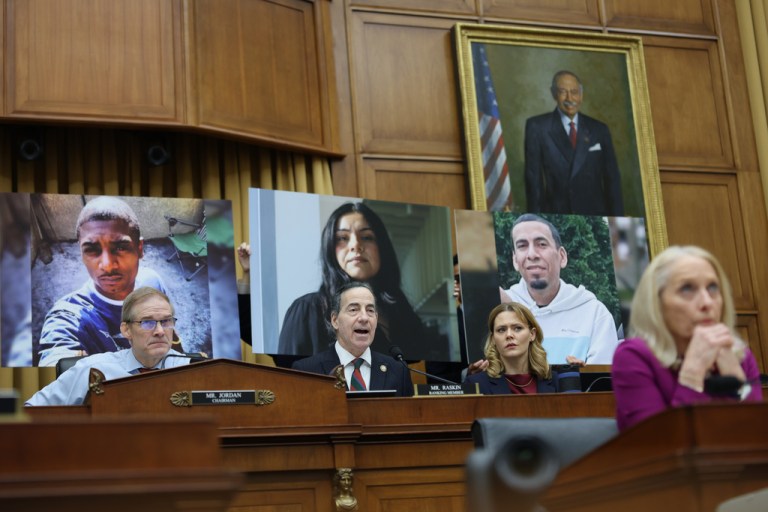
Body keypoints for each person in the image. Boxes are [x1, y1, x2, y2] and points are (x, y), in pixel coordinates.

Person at [612, 245, 762, 431]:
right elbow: (658, 448)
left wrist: (737, 382)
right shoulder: (634, 356)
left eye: (713, 288)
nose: (707, 302)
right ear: (656, 303)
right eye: (687, 289)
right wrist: (692, 374)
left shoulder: (740, 355)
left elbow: (758, 439)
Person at [278, 202, 442, 361]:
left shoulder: (403, 314)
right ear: (330, 248)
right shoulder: (308, 309)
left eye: (367, 237)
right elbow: (289, 375)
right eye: (342, 238)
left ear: (382, 247)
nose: (356, 245)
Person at [37, 196, 171, 366]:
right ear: (81, 255)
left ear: (139, 249)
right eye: (92, 250)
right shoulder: (70, 317)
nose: (107, 266)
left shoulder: (153, 283)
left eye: (120, 248)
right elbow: (57, 361)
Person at [26, 287, 191, 406]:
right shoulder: (93, 369)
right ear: (126, 330)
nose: (160, 331)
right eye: (147, 322)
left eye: (166, 321)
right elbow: (32, 411)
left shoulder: (194, 370)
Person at [500, 214, 619, 365]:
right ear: (515, 260)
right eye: (522, 246)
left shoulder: (594, 314)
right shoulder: (499, 309)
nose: (532, 254)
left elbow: (603, 382)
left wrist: (583, 376)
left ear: (562, 256)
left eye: (541, 244)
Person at [524, 70, 623, 216]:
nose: (570, 98)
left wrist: (619, 224)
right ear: (553, 94)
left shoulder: (599, 130)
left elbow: (612, 180)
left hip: (595, 217)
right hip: (557, 216)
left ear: (581, 95)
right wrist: (535, 221)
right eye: (563, 91)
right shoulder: (538, 127)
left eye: (574, 92)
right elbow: (534, 183)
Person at [291, 281, 414, 397]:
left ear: (376, 319)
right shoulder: (307, 371)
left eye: (370, 310)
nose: (364, 318)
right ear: (335, 320)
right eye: (354, 310)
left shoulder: (398, 371)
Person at [465, 302, 561, 394]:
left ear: (532, 334)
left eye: (517, 328)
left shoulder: (557, 381)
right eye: (501, 330)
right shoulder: (477, 384)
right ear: (493, 338)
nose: (509, 335)